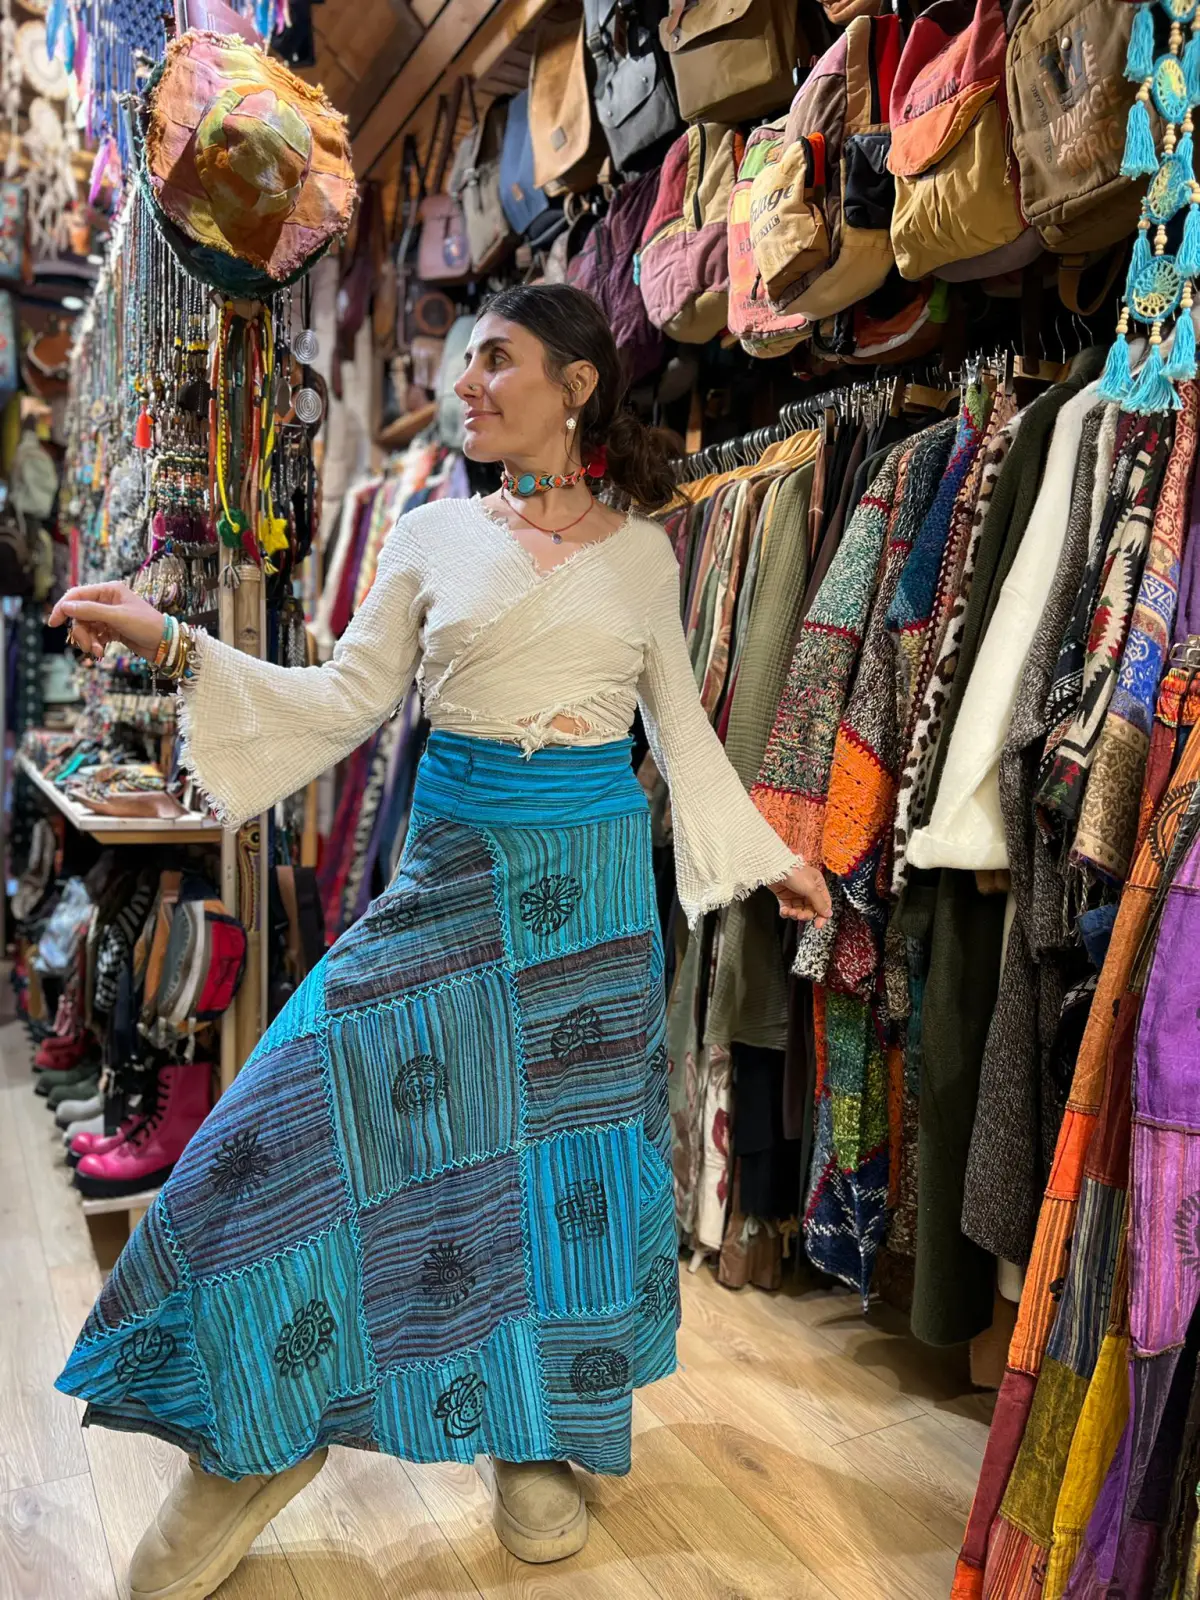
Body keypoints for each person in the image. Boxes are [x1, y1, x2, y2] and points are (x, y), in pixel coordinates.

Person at [50, 284, 830, 1600]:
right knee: (282, 1137)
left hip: (593, 905)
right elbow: (341, 699)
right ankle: (257, 1434)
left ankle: (537, 1435)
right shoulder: (427, 534)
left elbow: (681, 732)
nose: (465, 386)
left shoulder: (647, 555)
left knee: (561, 1181)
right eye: (465, 362)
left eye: (495, 361)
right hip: (453, 876)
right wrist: (174, 641)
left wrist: (769, 859)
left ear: (577, 385)